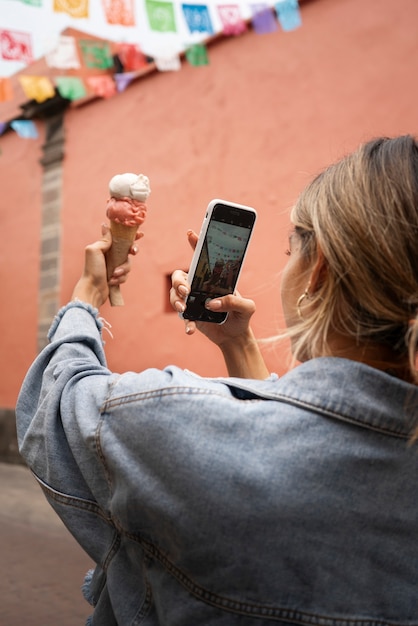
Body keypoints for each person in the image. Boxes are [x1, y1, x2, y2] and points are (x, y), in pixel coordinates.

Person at [16, 135, 418, 626]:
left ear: (317, 271)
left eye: (291, 249)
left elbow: (56, 403)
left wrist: (86, 296)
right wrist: (237, 345)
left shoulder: (174, 421)